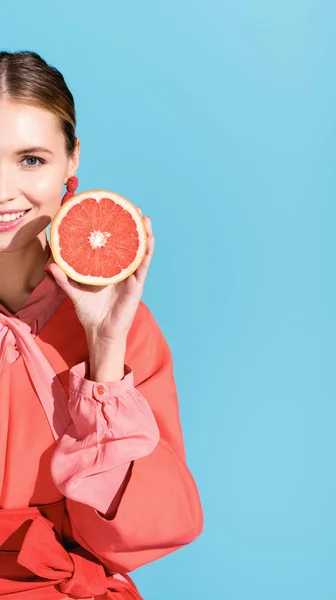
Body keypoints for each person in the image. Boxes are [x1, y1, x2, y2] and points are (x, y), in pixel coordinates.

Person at [0, 50, 203, 600]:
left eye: (31, 159)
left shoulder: (125, 328)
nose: (2, 188)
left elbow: (144, 532)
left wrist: (104, 349)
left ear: (72, 161)